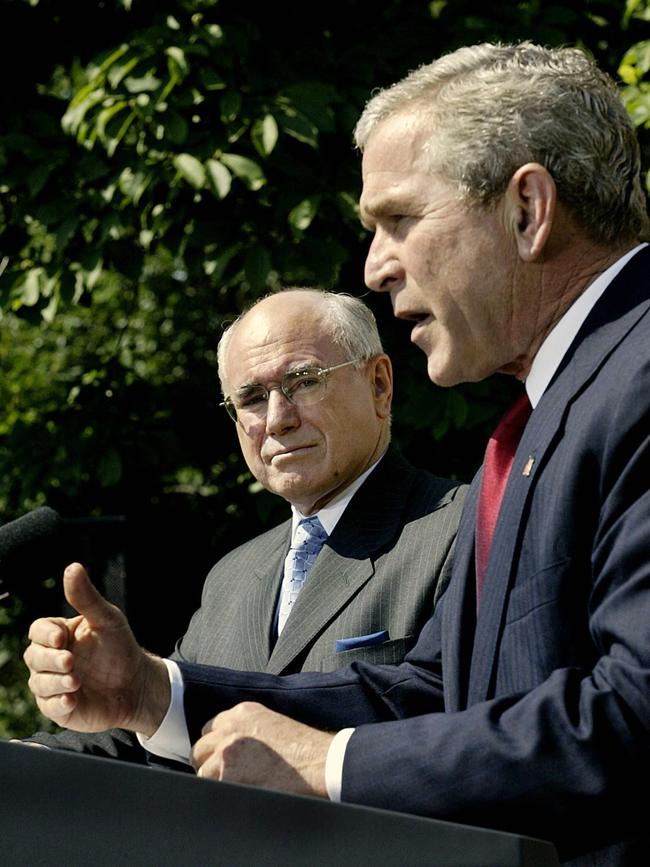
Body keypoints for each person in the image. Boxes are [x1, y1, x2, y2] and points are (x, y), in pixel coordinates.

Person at [23, 41, 650, 863]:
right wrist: (155, 691)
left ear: (527, 209)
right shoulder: (548, 415)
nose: (376, 267)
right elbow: (434, 698)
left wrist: (335, 765)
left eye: (399, 220)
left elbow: (635, 712)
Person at [23, 287, 465, 762]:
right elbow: (156, 737)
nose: (277, 420)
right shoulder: (234, 575)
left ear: (379, 384)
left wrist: (155, 693)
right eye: (252, 398)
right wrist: (22, 758)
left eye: (304, 380)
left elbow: (445, 715)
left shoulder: (460, 530)